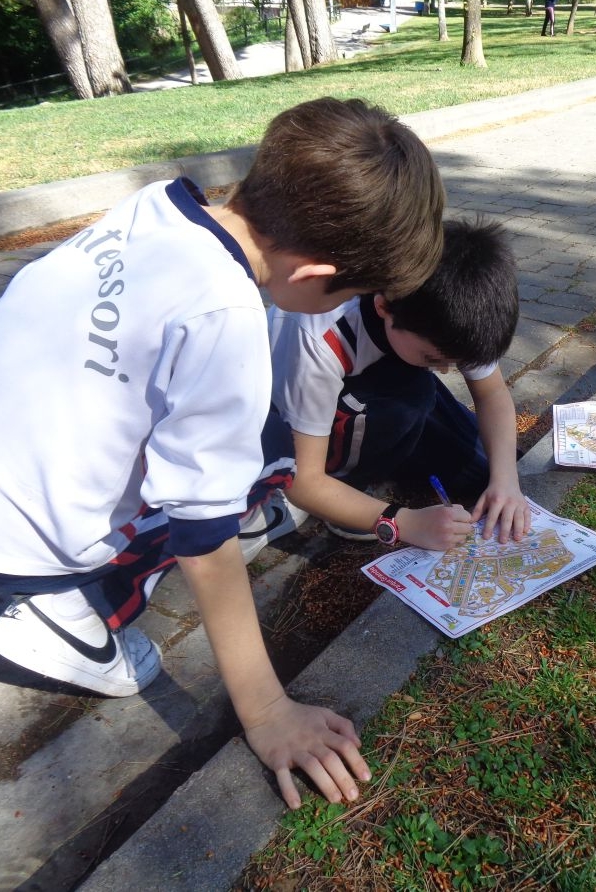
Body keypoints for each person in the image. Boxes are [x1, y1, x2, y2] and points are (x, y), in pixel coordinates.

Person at [0, 97, 445, 809]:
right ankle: (62, 616)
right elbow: (204, 540)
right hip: (25, 543)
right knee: (267, 458)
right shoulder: (227, 321)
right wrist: (268, 712)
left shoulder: (156, 206)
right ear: (313, 277)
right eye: (354, 293)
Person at [268, 219, 532, 554]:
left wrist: (505, 480)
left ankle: (398, 446)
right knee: (416, 395)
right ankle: (350, 484)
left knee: (484, 473)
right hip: (289, 416)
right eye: (433, 357)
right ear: (383, 307)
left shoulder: (454, 311)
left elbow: (492, 393)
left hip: (387, 379)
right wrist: (404, 522)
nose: (448, 370)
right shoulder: (319, 337)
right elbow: (303, 481)